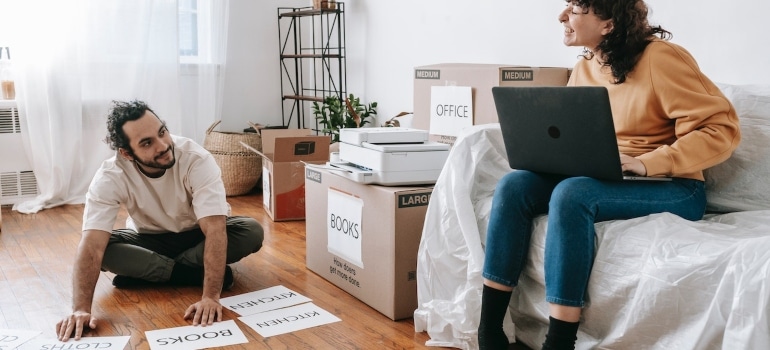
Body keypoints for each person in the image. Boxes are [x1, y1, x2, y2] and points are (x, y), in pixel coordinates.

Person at [477, 1, 741, 349]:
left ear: (608, 24)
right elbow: (578, 134)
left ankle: (559, 342)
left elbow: (721, 129)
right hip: (607, 175)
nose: (562, 17)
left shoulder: (661, 58)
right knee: (514, 185)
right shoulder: (586, 65)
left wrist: (648, 161)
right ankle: (489, 331)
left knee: (572, 194)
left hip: (674, 185)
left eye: (574, 9)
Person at [55, 100, 265, 341]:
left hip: (197, 235)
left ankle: (153, 273)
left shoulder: (196, 158)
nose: (164, 145)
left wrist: (210, 297)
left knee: (251, 231)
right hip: (148, 239)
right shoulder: (110, 176)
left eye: (162, 132)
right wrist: (80, 309)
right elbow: (92, 245)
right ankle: (190, 274)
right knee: (103, 251)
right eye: (147, 143)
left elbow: (216, 230)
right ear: (126, 153)